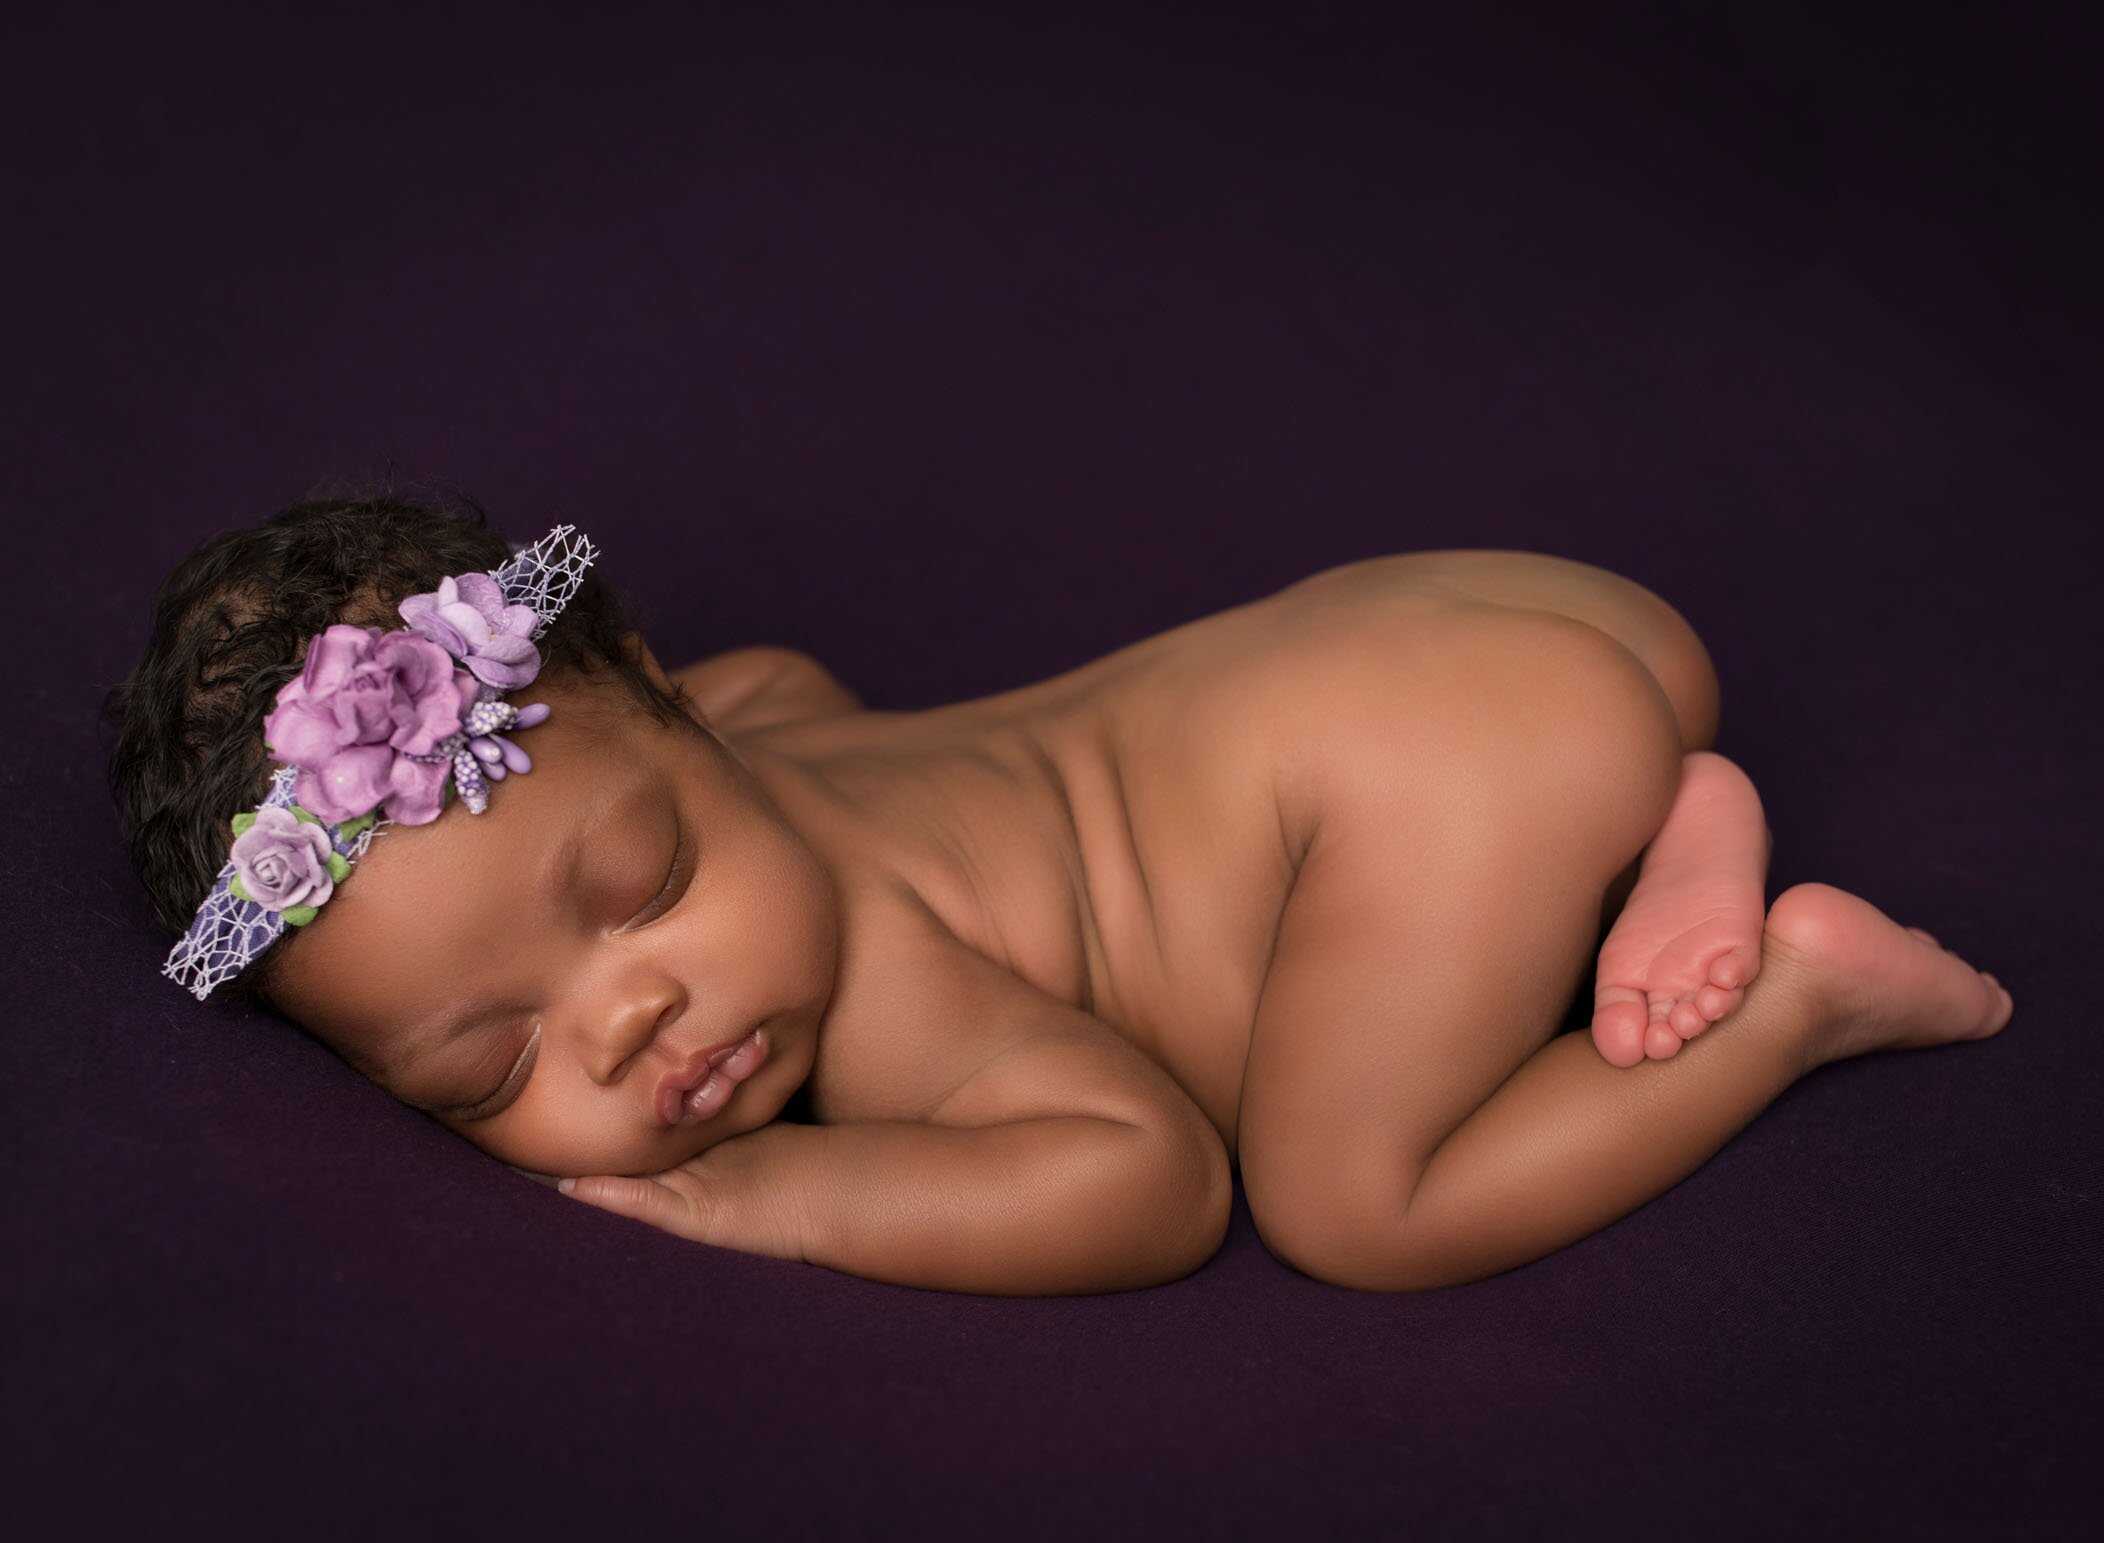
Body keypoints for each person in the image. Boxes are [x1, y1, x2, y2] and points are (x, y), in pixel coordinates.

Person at [104, 489, 2014, 1295]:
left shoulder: (883, 985)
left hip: (1436, 775)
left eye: (647, 883)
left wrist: (770, 1192)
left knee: (1357, 1206)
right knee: (1426, 802)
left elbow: (1146, 1176)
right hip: (1505, 620)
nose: (633, 1017)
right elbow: (786, 686)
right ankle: (1660, 810)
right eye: (488, 1066)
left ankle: (1799, 992)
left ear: (677, 714)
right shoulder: (757, 731)